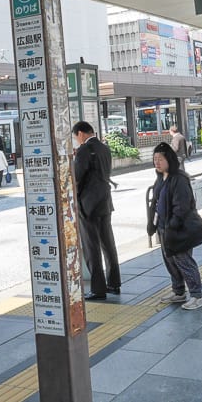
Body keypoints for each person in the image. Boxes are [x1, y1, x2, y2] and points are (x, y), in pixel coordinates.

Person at [147, 142, 202, 309]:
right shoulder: (160, 178)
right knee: (170, 261)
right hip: (164, 228)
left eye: (160, 159)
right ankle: (179, 291)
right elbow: (156, 202)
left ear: (169, 160)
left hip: (179, 230)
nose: (157, 162)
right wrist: (153, 224)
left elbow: (182, 207)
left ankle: (197, 295)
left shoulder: (179, 179)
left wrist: (172, 226)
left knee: (184, 261)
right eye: (155, 159)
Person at [72, 121, 121, 300]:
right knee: (108, 243)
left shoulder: (84, 150)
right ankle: (114, 283)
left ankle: (98, 289)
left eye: (76, 137)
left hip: (88, 205)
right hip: (105, 202)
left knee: (91, 246)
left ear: (81, 134)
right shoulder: (104, 148)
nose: (77, 141)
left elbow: (77, 176)